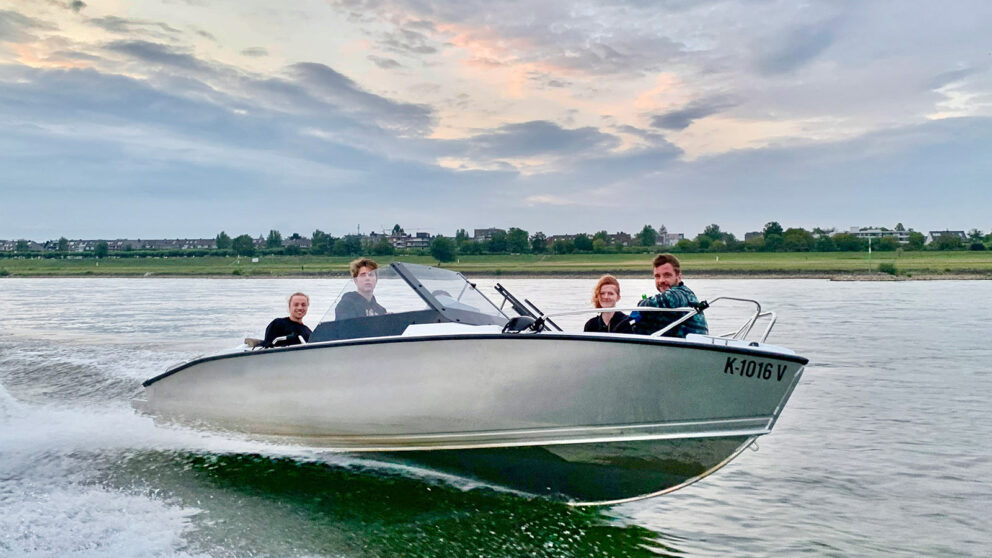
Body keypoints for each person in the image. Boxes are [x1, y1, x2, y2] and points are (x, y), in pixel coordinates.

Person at [632, 253, 708, 337]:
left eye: (667, 275)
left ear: (678, 276)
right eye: (657, 276)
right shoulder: (668, 305)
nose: (661, 280)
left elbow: (667, 299)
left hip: (688, 347)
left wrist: (642, 303)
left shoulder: (682, 294)